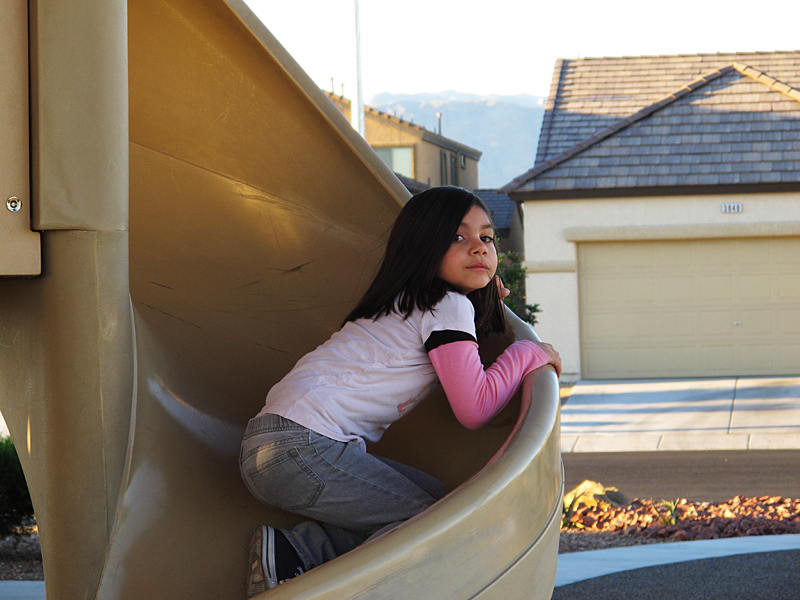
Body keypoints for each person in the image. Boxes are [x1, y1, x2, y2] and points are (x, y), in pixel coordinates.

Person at [239, 186, 561, 596]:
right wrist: (526, 353)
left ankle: (294, 550)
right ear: (423, 246)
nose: (479, 248)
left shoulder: (404, 300)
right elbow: (475, 408)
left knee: (436, 499)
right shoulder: (447, 306)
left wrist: (483, 298)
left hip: (275, 445)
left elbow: (457, 350)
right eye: (457, 237)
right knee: (438, 528)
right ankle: (313, 570)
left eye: (487, 237)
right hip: (302, 450)